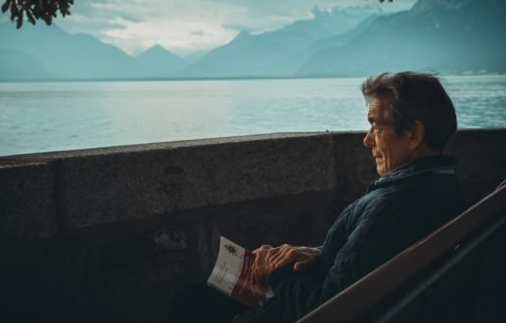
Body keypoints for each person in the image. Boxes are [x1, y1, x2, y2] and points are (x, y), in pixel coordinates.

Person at [169, 72, 465, 323]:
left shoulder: (393, 206)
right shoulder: (441, 189)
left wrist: (275, 269)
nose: (367, 139)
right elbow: (362, 263)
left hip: (298, 309)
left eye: (376, 124)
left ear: (413, 135)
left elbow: (326, 309)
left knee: (189, 300)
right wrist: (316, 255)